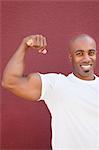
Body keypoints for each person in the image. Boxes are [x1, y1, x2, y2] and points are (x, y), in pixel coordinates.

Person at [2, 34, 99, 150]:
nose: (87, 58)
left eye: (91, 53)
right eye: (79, 54)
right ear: (70, 57)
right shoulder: (57, 85)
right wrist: (24, 46)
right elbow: (10, 82)